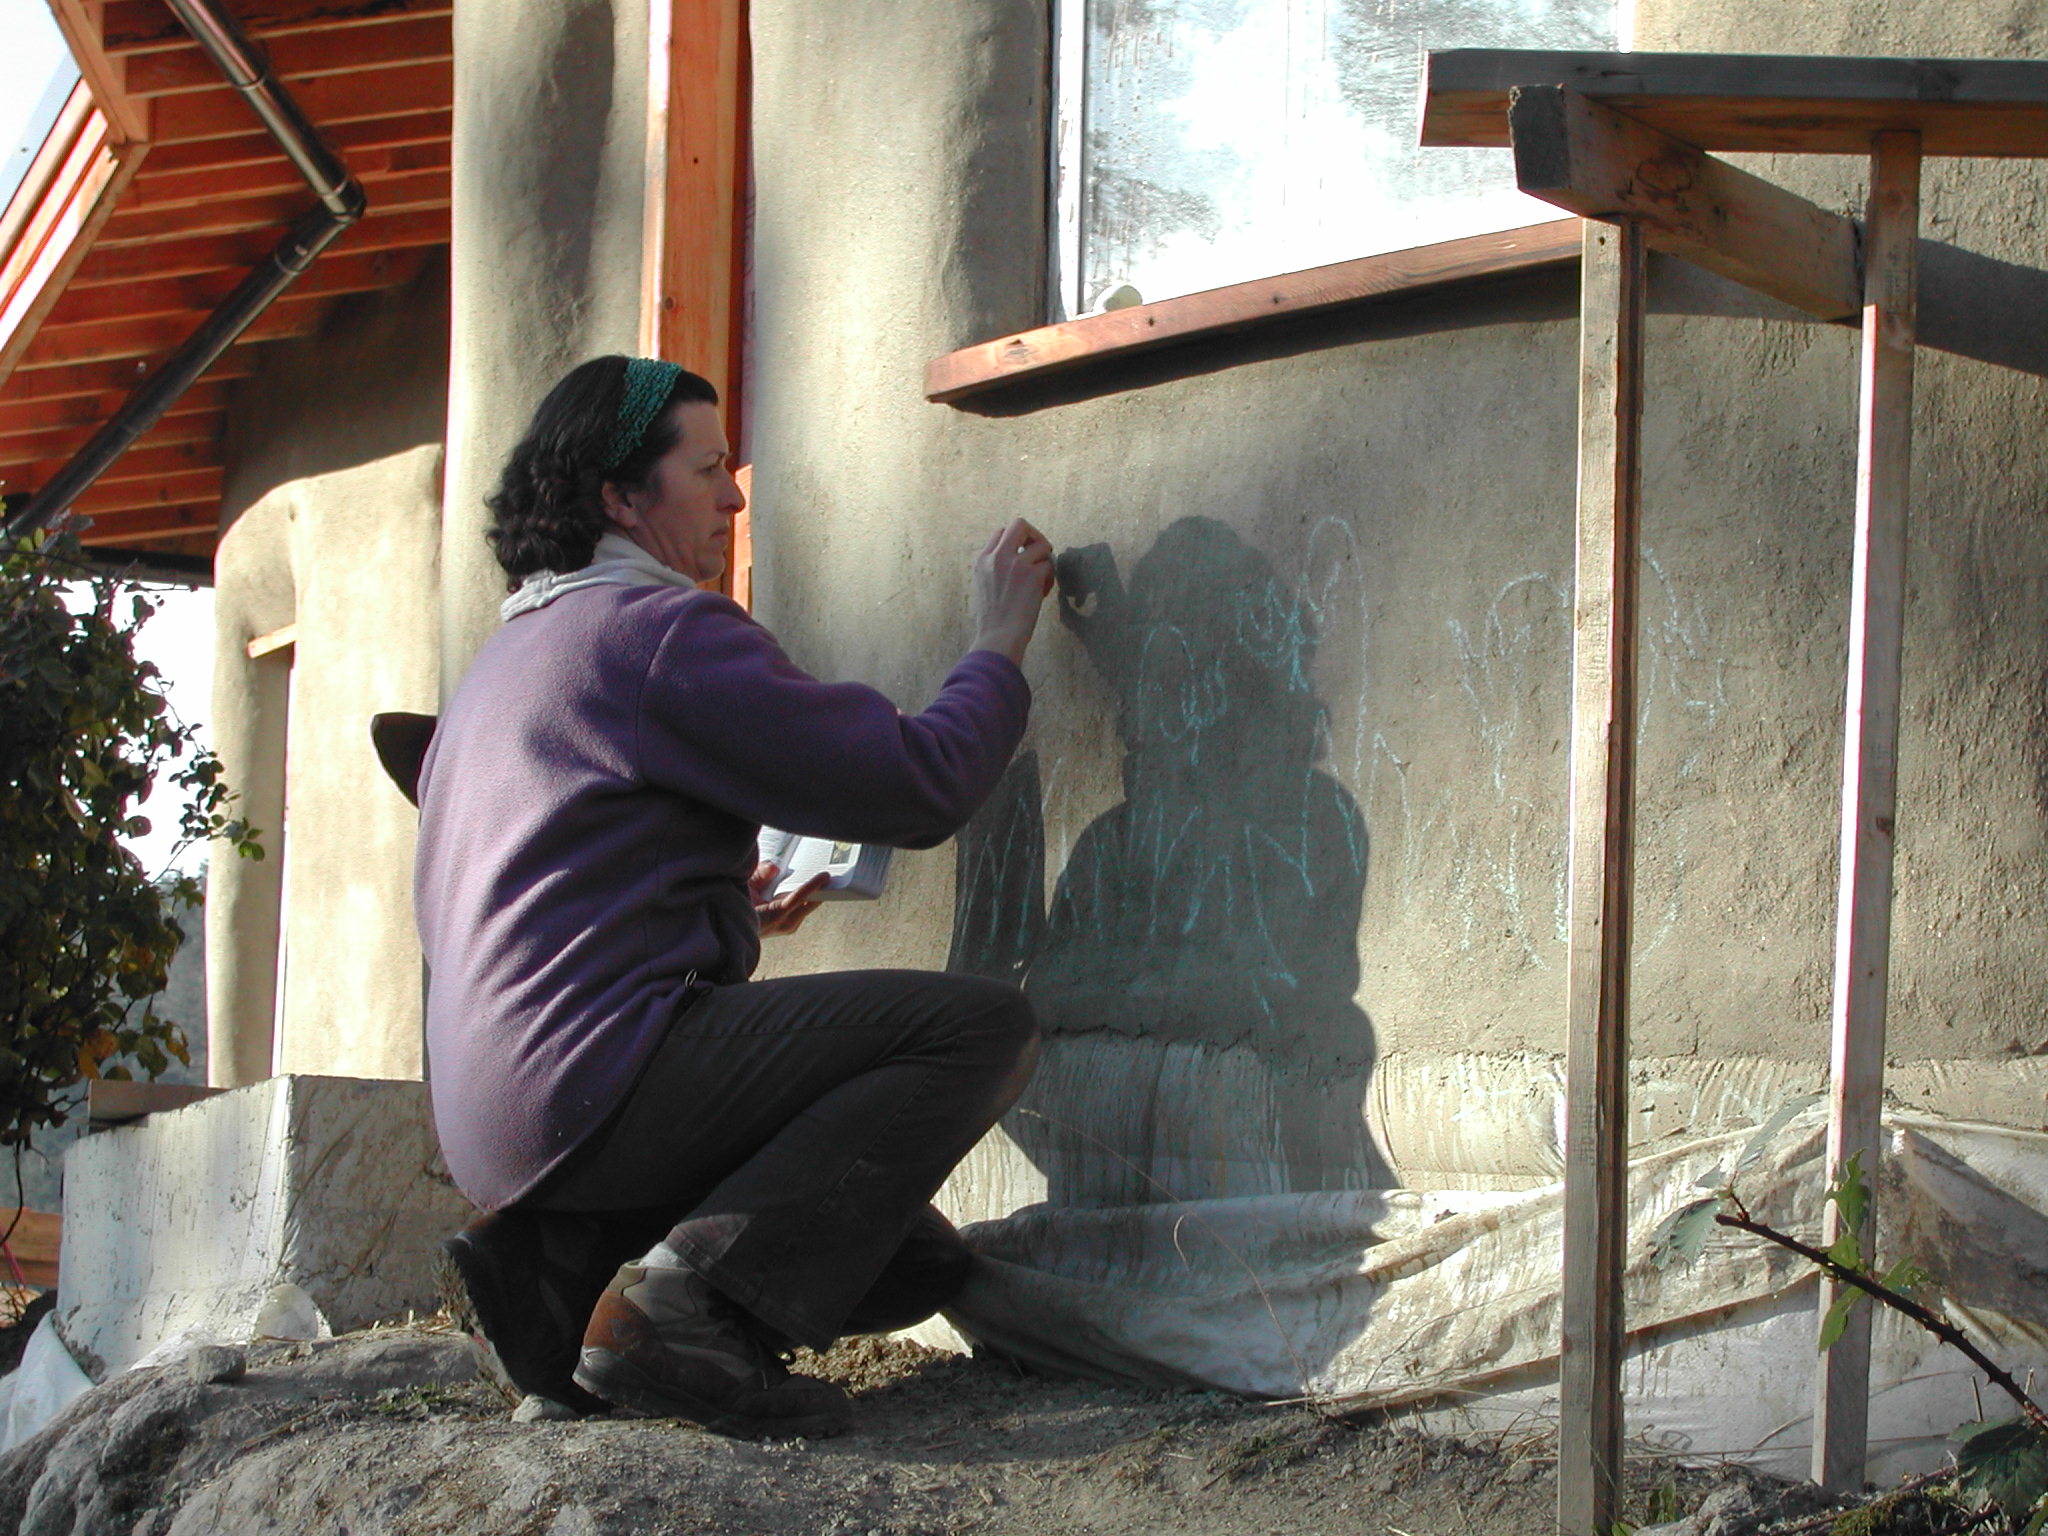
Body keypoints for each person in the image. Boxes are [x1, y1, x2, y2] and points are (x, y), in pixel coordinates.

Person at [416, 355, 1052, 1438]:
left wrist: (723, 910)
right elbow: (916, 785)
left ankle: (558, 1269)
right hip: (590, 1081)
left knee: (911, 1265)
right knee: (979, 1029)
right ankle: (679, 1313)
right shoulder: (652, 632)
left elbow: (539, 886)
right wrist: (996, 643)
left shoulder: (506, 658)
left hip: (498, 1125)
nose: (734, 497)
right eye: (707, 469)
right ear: (622, 498)